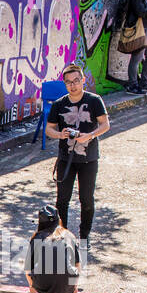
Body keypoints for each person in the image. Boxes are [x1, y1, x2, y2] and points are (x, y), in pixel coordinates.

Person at [45, 63, 109, 243]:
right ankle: (62, 235)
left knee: (86, 199)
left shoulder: (94, 100)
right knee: (62, 200)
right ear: (64, 84)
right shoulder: (59, 104)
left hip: (89, 159)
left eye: (76, 81)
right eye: (68, 82)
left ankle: (84, 237)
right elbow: (49, 129)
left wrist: (90, 135)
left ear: (83, 80)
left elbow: (105, 125)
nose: (73, 86)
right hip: (66, 158)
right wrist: (60, 134)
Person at [25, 204, 80, 293]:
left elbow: (28, 267)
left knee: (41, 271)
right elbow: (77, 265)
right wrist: (74, 288)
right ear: (58, 219)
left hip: (42, 282)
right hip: (66, 283)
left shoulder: (37, 237)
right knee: (65, 273)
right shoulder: (69, 236)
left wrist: (32, 287)